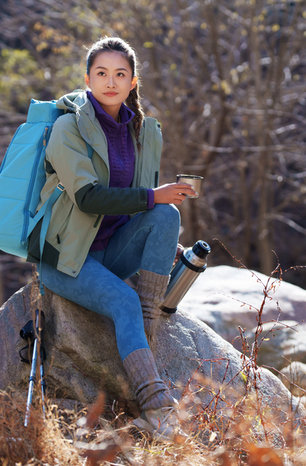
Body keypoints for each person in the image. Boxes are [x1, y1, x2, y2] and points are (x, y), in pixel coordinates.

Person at [26, 37, 196, 441]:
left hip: (110, 252)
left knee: (166, 215)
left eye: (120, 74)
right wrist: (153, 196)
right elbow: (87, 198)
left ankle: (147, 326)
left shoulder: (140, 131)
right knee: (123, 299)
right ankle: (156, 408)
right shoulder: (68, 127)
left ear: (133, 82)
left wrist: (156, 220)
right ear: (87, 79)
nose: (110, 82)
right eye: (101, 73)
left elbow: (145, 208)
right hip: (66, 260)